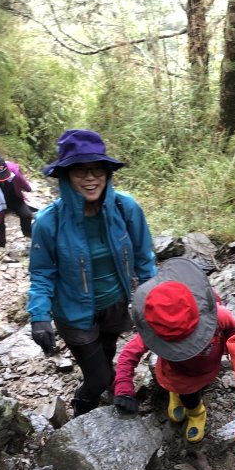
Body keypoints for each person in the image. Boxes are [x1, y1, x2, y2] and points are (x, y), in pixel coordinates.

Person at [27, 129, 157, 416]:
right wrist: (39, 317)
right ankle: (82, 408)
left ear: (107, 173)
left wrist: (152, 297)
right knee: (97, 378)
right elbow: (42, 273)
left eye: (97, 169)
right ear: (65, 176)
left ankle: (111, 386)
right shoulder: (49, 222)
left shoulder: (126, 208)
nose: (90, 177)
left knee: (108, 354)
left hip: (115, 305)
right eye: (80, 170)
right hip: (73, 313)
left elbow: (143, 258)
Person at [112, 257, 235, 442]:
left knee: (194, 392)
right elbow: (128, 354)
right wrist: (123, 387)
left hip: (207, 368)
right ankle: (189, 406)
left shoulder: (217, 316)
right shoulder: (153, 329)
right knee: (188, 394)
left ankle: (191, 408)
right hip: (179, 375)